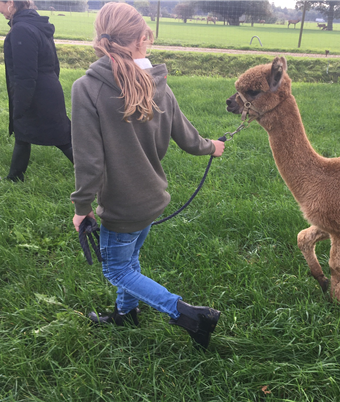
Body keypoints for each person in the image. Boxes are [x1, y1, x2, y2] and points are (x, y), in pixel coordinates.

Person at [70, 2, 225, 350]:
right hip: (152, 198)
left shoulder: (87, 88)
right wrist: (211, 147)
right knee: (130, 261)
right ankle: (127, 315)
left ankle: (189, 314)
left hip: (122, 206)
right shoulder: (160, 85)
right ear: (143, 39)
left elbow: (89, 160)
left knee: (118, 270)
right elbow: (187, 138)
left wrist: (82, 208)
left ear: (100, 38)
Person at [0, 0, 73, 182]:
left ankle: (100, 175)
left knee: (62, 138)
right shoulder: (35, 23)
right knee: (23, 134)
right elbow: (54, 64)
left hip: (37, 93)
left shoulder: (22, 29)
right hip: (46, 88)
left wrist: (20, 104)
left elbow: (25, 74)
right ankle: (14, 177)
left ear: (11, 3)